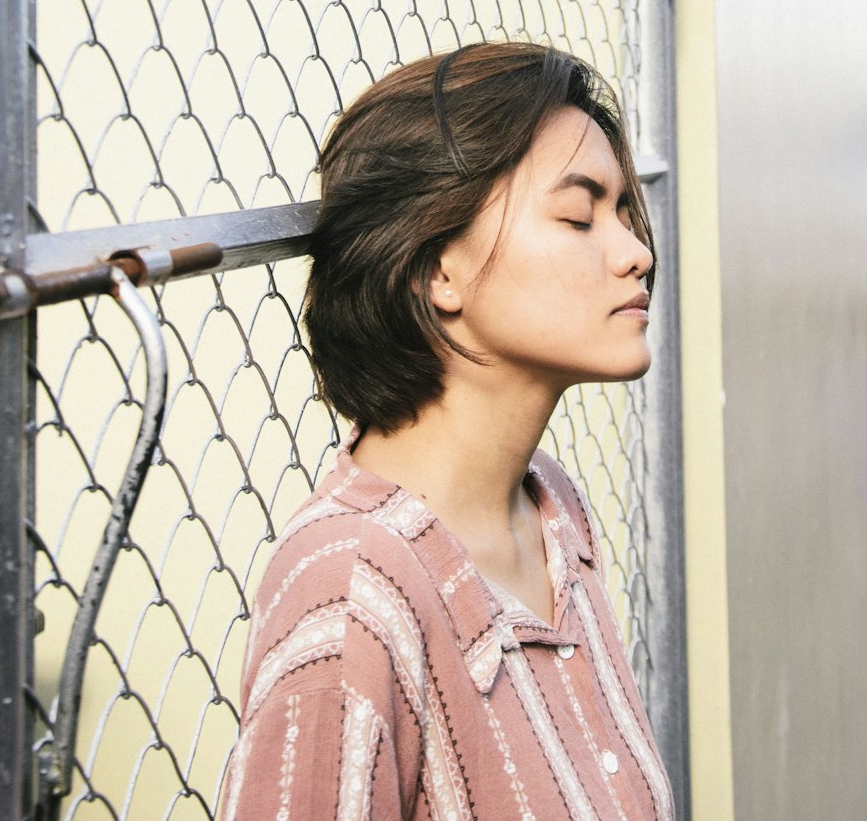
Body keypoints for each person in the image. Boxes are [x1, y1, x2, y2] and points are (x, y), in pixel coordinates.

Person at [220, 41, 675, 820]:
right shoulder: (351, 597)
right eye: (578, 214)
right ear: (439, 269)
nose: (636, 253)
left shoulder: (551, 511)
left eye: (626, 212)